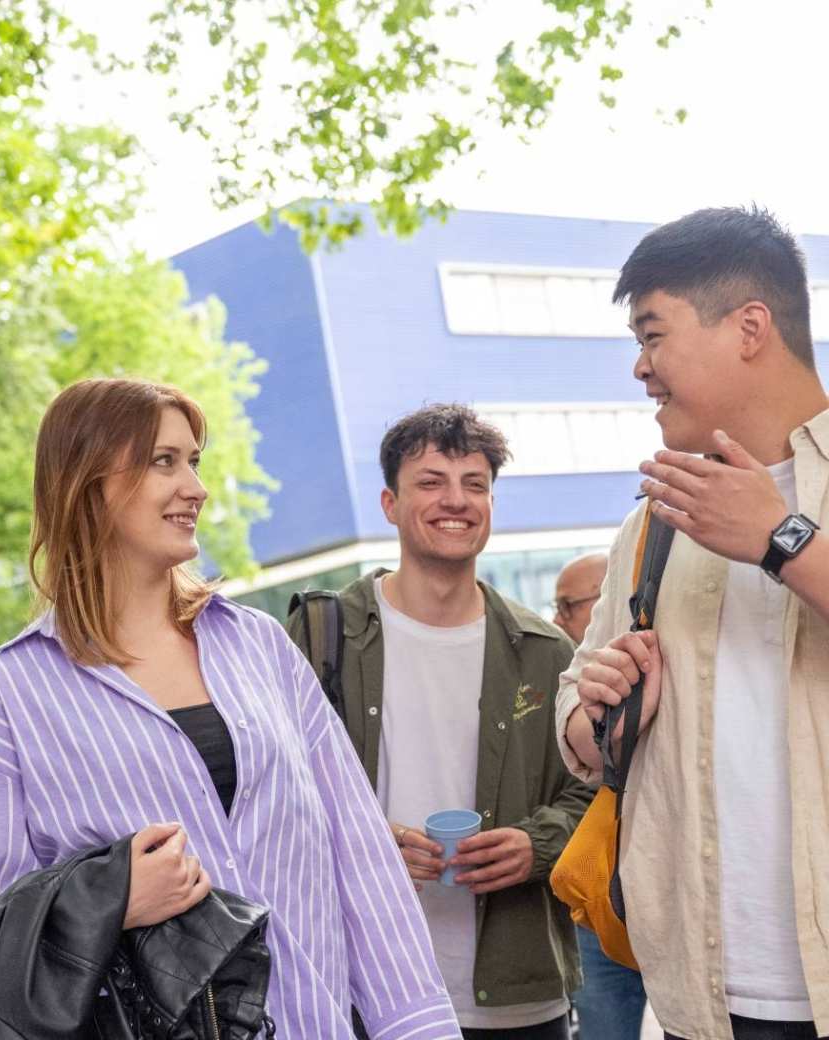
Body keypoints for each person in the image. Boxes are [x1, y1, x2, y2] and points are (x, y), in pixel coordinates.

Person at [0, 378, 461, 1039]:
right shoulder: (9, 696)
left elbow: (359, 855)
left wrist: (417, 1028)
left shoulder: (258, 645)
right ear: (90, 480)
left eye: (194, 461)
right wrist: (110, 903)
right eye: (166, 461)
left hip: (315, 1022)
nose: (196, 487)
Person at [555, 206, 829, 1040]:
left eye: (653, 334)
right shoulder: (655, 520)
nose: (640, 368)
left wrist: (782, 542)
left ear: (750, 327)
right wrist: (595, 711)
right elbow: (581, 720)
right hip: (701, 999)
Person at [286, 404, 592, 1039]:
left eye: (474, 484)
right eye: (430, 481)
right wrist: (362, 847)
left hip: (517, 999)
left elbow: (597, 786)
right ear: (390, 503)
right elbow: (270, 794)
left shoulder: (546, 651)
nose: (456, 500)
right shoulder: (321, 634)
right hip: (364, 989)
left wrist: (537, 845)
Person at [552, 554, 648, 1040]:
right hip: (596, 897)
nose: (558, 618)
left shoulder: (655, 647)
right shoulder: (568, 683)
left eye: (567, 605)